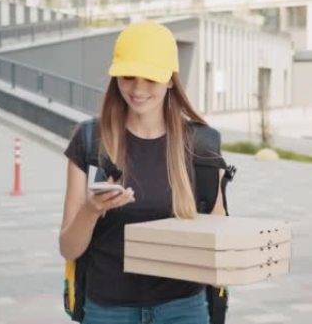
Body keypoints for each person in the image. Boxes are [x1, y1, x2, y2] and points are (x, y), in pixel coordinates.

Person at [59, 21, 227, 324]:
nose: (137, 89)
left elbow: (219, 239)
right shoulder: (88, 140)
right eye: (128, 77)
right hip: (107, 310)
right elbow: (68, 247)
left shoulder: (201, 145)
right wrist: (91, 210)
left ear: (171, 80)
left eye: (150, 78)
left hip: (183, 308)